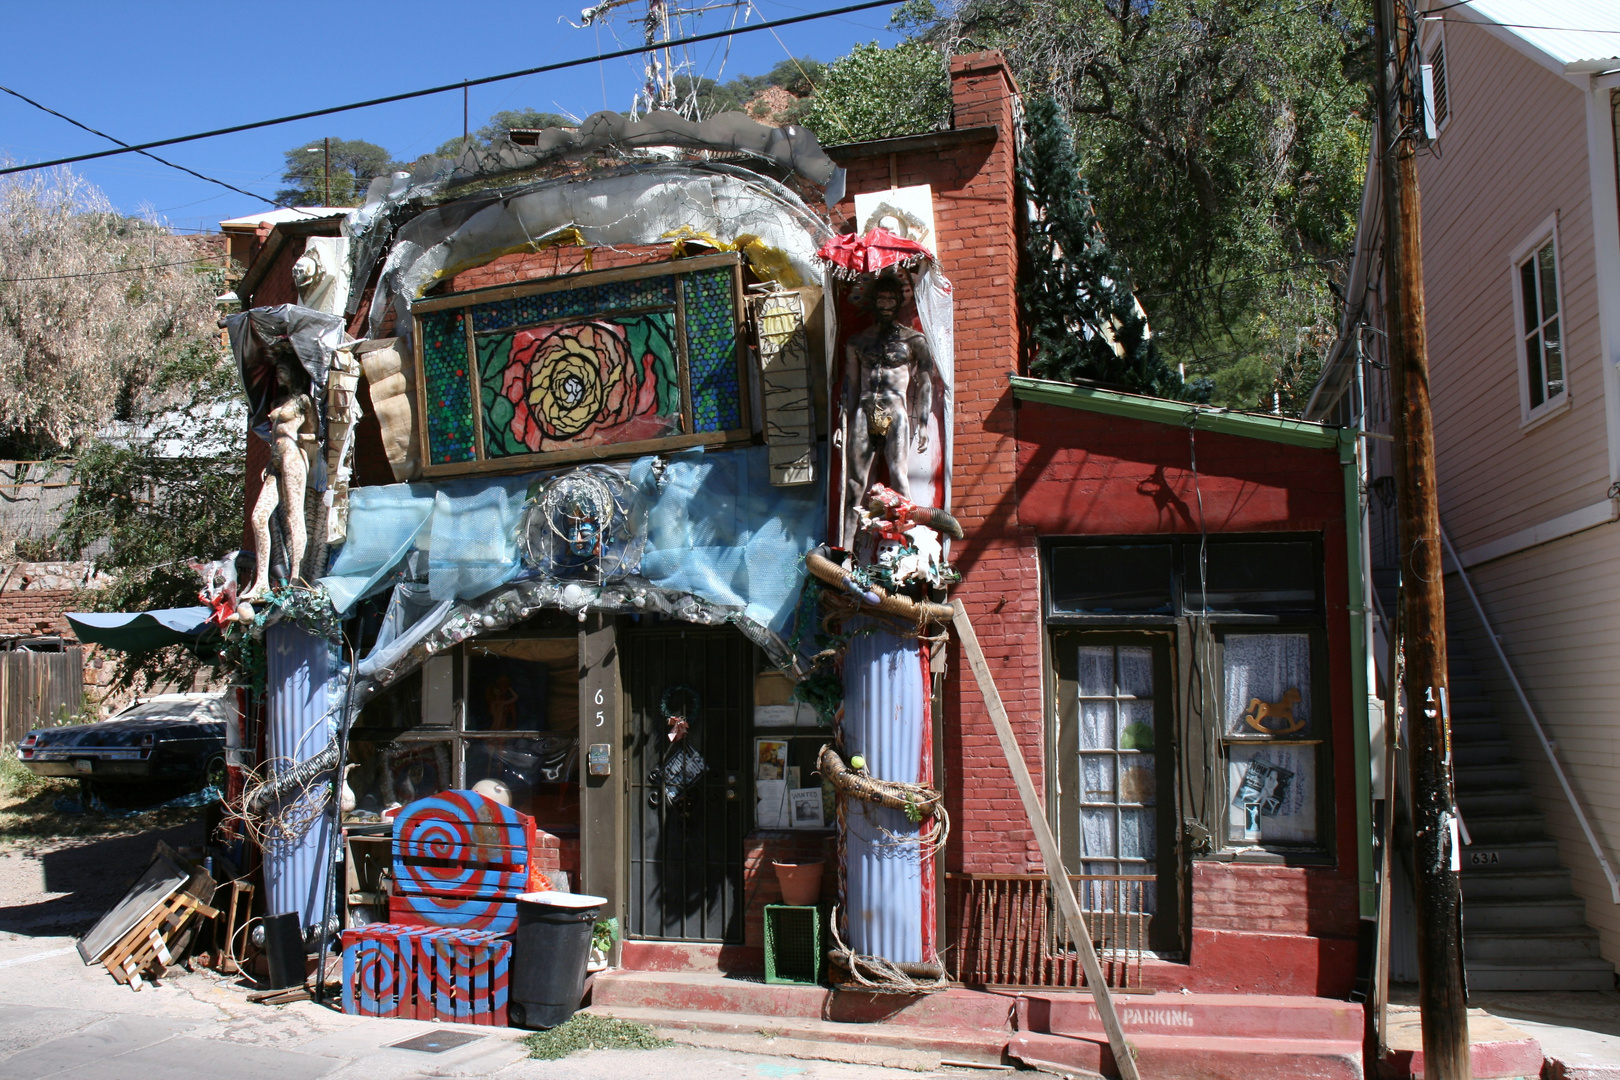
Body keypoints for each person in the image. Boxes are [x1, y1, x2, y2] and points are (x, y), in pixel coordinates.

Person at [842, 274, 934, 547]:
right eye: (881, 298)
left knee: (899, 475)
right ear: (873, 302)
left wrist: (924, 422)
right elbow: (851, 384)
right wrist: (843, 422)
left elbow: (925, 381)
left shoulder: (913, 340)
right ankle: (846, 549)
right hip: (864, 408)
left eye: (890, 299)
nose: (885, 304)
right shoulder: (858, 341)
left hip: (896, 409)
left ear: (899, 302)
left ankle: (910, 543)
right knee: (855, 482)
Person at [245, 358, 318, 600]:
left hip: (292, 456)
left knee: (293, 516)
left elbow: (314, 432)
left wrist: (299, 441)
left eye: (283, 369)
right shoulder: (278, 401)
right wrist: (268, 462)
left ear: (293, 372)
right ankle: (262, 582)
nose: (278, 374)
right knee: (258, 517)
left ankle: (297, 577)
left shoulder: (303, 401)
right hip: (274, 460)